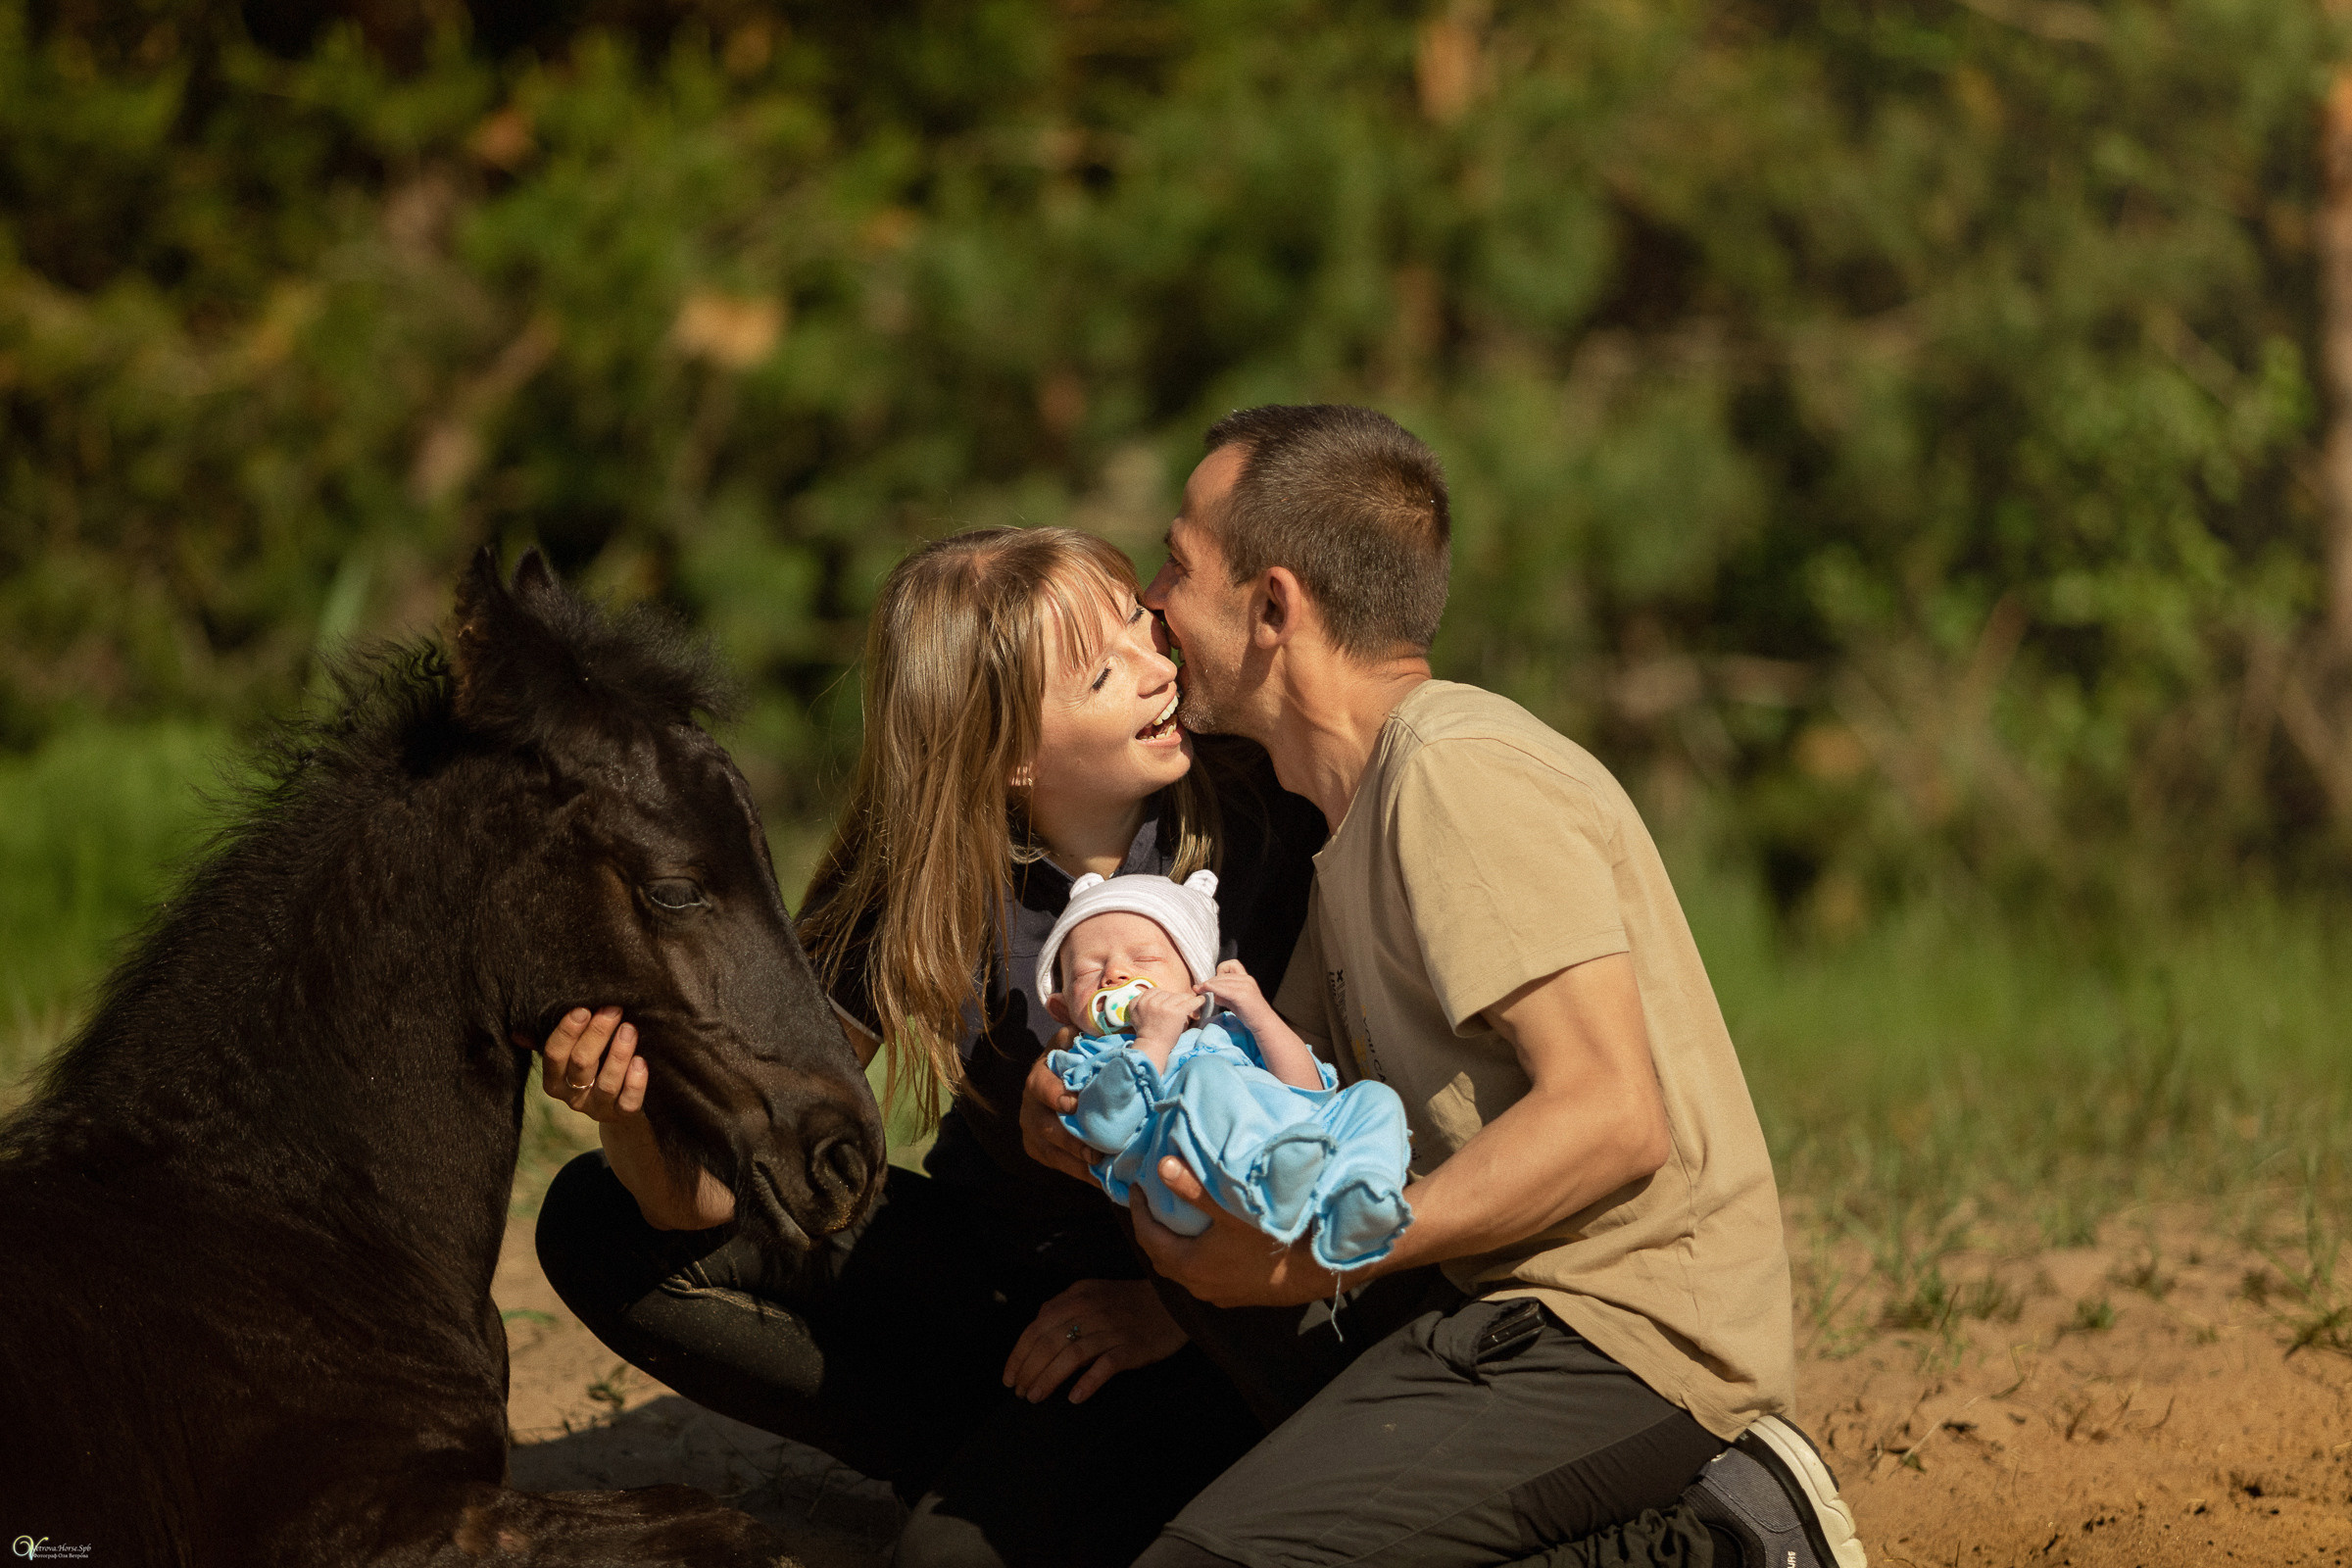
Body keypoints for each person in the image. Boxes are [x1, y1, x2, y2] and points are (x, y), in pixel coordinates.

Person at [1022, 405, 1867, 1568]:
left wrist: (1338, 1249)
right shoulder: (1350, 823)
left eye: (1177, 561)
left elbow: (1614, 1115)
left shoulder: (1457, 772)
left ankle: (1733, 1532)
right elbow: (1283, 1111)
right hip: (1486, 1310)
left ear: (1273, 609)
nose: (1155, 599)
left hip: (1619, 1333)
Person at [531, 526, 1328, 1568]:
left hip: (1213, 1312)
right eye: (1103, 670)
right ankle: (992, 1458)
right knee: (597, 1217)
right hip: (996, 1283)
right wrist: (630, 1111)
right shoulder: (918, 875)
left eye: (1141, 625)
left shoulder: (1265, 821)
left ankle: (1046, 1481)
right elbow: (716, 1199)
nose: (1159, 667)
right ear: (1011, 756)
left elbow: (1335, 1129)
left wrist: (1169, 1308)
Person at [1034, 868, 1413, 1270]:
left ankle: (1361, 1201)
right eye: (1089, 972)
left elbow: (1308, 1090)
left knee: (1374, 1097)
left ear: (1197, 983)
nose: (1115, 973)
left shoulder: (1230, 1032)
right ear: (1062, 1009)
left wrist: (1262, 1017)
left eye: (1144, 958)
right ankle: (1272, 1180)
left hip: (1298, 1148)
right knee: (1206, 1077)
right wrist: (1153, 1041)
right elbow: (1106, 1129)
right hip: (1189, 1185)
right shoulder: (1086, 1056)